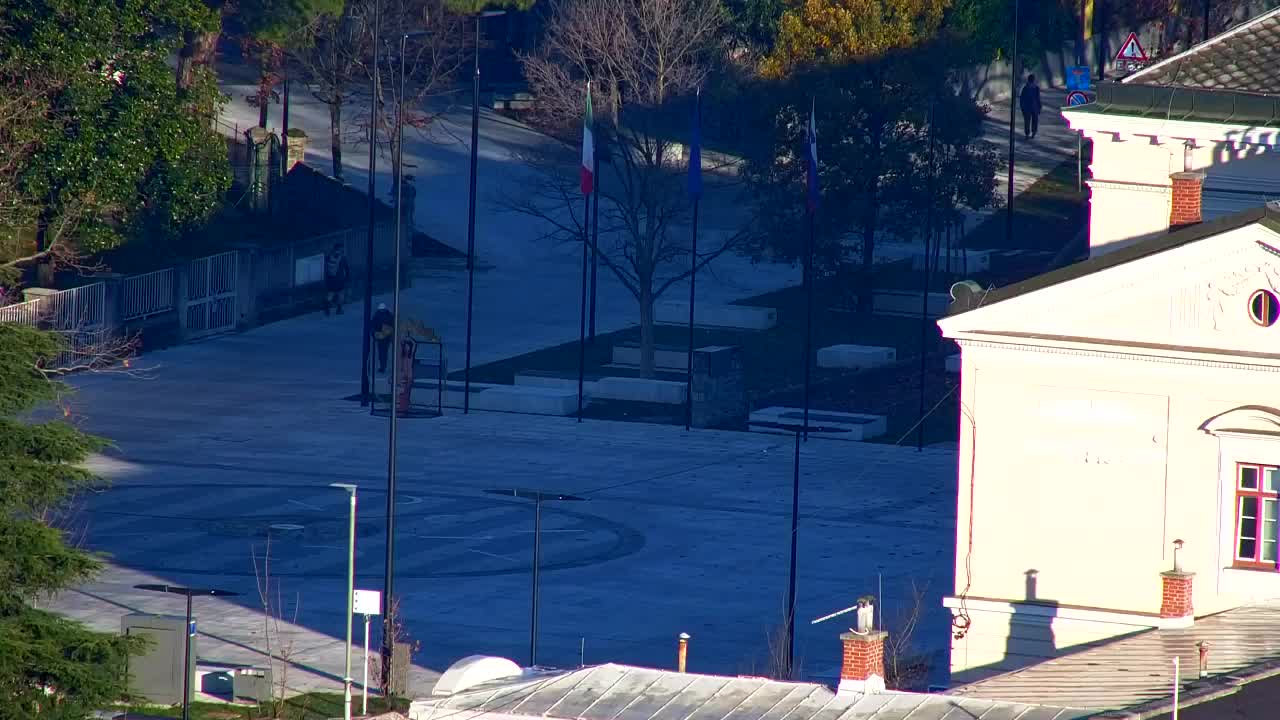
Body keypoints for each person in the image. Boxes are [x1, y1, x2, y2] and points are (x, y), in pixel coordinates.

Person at [323, 241, 350, 316]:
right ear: (340, 248)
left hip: (330, 279)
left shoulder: (329, 257)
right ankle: (339, 309)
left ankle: (327, 306)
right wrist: (347, 277)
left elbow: (326, 268)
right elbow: (347, 268)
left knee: (330, 294)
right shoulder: (342, 258)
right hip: (339, 280)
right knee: (341, 294)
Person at [371, 302, 394, 373]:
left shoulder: (377, 315)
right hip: (382, 336)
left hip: (383, 337)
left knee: (382, 352)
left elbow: (372, 326)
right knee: (383, 352)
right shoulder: (388, 315)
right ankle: (383, 366)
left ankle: (383, 366)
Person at [1019, 73, 1042, 140]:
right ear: (1034, 80)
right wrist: (1039, 107)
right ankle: (1033, 133)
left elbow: (1022, 99)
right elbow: (1038, 99)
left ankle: (1027, 134)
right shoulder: (1035, 88)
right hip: (1034, 107)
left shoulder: (1025, 88)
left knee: (1027, 121)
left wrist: (1022, 108)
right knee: (1033, 121)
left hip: (1028, 108)